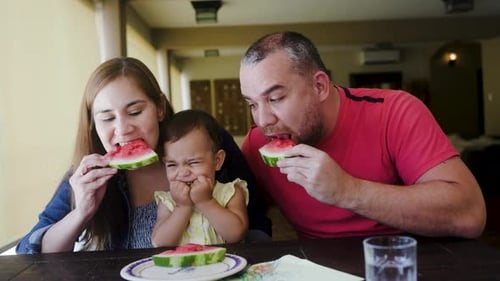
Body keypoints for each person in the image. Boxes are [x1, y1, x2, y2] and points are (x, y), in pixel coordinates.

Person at [239, 31, 486, 239]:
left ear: (320, 86)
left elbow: (470, 214)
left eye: (275, 98)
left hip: (403, 263)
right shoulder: (257, 144)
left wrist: (347, 191)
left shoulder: (395, 112)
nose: (263, 120)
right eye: (252, 104)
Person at [16, 57, 270, 254]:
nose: (123, 129)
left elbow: (257, 223)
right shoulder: (88, 173)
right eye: (107, 118)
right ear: (93, 123)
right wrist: (82, 211)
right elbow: (31, 248)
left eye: (135, 112)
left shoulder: (205, 144)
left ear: (159, 107)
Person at [152, 109, 249, 247]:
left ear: (217, 161)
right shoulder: (168, 201)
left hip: (225, 266)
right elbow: (159, 243)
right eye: (172, 164)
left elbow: (236, 234)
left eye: (193, 162)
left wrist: (206, 202)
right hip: (182, 268)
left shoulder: (230, 193)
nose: (183, 172)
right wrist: (182, 207)